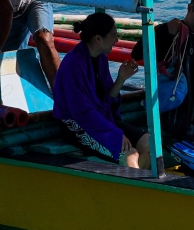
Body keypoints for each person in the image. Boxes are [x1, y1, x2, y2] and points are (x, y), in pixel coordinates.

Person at [115, 0, 194, 165]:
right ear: (190, 8)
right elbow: (136, 53)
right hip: (166, 102)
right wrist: (165, 31)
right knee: (171, 126)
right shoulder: (170, 31)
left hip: (190, 104)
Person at [50, 11, 140, 170]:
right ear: (98, 38)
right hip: (76, 125)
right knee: (129, 155)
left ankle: (143, 183)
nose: (116, 40)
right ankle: (137, 191)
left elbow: (107, 98)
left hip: (100, 117)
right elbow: (82, 113)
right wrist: (115, 134)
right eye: (113, 35)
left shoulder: (100, 58)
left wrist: (121, 78)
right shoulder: (73, 65)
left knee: (148, 143)